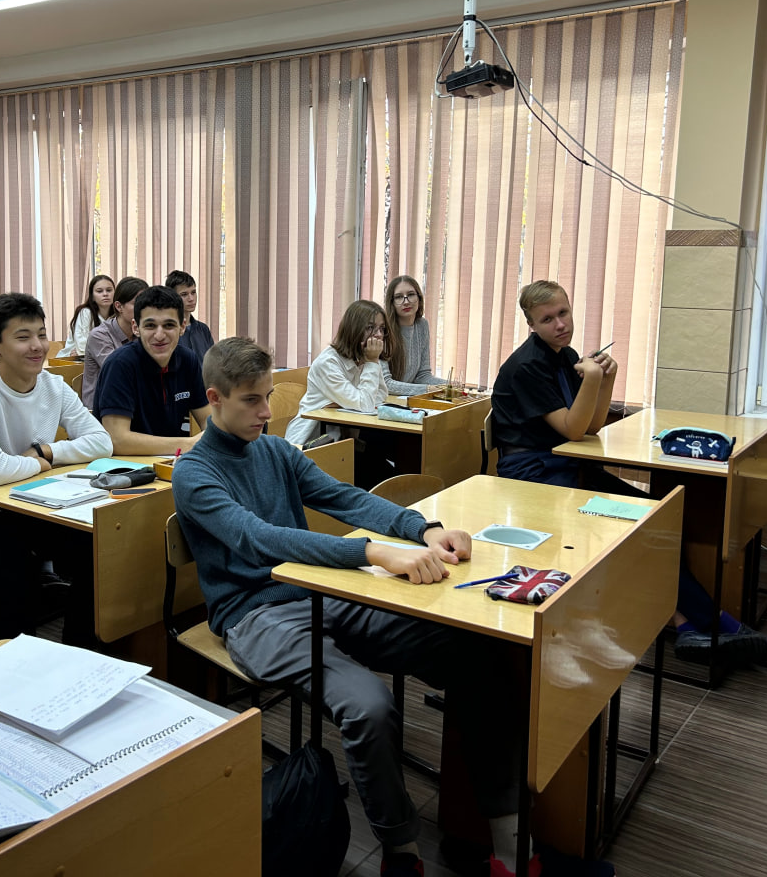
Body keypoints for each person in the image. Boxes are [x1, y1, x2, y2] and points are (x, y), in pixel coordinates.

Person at [173, 337, 521, 877]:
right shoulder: (194, 472)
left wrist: (422, 529)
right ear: (214, 399)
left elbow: (344, 498)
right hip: (254, 615)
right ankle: (401, 851)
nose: (265, 412)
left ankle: (507, 842)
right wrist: (372, 552)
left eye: (268, 397)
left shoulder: (275, 451)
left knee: (477, 650)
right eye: (251, 400)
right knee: (369, 706)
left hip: (319, 592)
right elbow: (259, 539)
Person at [491, 280, 767, 669]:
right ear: (531, 325)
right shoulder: (528, 365)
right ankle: (719, 626)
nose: (560, 324)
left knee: (658, 515)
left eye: (563, 313)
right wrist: (594, 379)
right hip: (532, 475)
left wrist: (607, 379)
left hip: (567, 463)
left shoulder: (564, 356)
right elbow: (573, 429)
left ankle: (687, 623)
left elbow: (592, 426)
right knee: (640, 528)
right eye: (547, 319)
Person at [0, 292, 111, 643]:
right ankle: (15, 657)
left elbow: (101, 442)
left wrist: (46, 452)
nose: (37, 346)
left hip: (34, 504)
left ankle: (79, 649)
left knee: (96, 551)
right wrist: (38, 464)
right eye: (23, 337)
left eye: (42, 334)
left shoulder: (53, 385)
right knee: (14, 571)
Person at [284, 299, 394, 487]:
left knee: (390, 465)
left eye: (382, 329)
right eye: (370, 328)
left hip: (344, 441)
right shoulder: (328, 362)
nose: (378, 335)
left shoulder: (362, 357)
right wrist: (372, 363)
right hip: (311, 445)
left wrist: (372, 363)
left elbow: (380, 396)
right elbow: (366, 405)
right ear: (353, 329)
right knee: (378, 470)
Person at [95, 285, 210, 455]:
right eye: (150, 326)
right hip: (126, 465)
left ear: (182, 327)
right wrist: (187, 444)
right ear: (136, 327)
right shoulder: (119, 364)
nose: (159, 335)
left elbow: (209, 421)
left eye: (169, 325)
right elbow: (116, 440)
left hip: (171, 462)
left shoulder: (188, 360)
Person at [81, 276, 147, 412]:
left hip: (134, 403)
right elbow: (119, 373)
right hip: (102, 408)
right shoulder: (99, 335)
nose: (144, 310)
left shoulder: (143, 331)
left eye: (147, 304)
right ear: (118, 306)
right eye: (137, 304)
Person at [382, 275, 448, 396]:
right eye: (399, 297)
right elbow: (385, 384)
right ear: (392, 302)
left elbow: (423, 375)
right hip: (384, 400)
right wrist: (428, 389)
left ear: (419, 298)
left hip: (407, 399)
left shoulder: (422, 325)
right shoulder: (382, 329)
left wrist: (450, 385)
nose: (406, 301)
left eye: (411, 295)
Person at [56, 275, 114, 358]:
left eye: (109, 290)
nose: (105, 294)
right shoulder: (85, 312)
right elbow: (82, 345)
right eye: (99, 291)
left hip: (102, 357)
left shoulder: (117, 315)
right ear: (92, 296)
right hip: (71, 359)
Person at [165, 270, 214, 360]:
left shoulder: (203, 329)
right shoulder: (167, 332)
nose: (191, 299)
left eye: (193, 292)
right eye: (184, 294)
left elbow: (212, 363)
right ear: (172, 297)